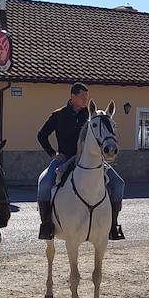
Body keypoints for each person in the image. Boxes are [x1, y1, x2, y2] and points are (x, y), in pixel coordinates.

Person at [36, 83, 125, 241]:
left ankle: (112, 226)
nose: (86, 99)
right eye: (83, 96)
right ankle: (47, 225)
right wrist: (53, 154)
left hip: (89, 159)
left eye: (86, 96)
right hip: (64, 158)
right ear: (73, 96)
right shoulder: (58, 115)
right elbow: (41, 135)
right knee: (44, 183)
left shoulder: (90, 115)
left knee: (118, 184)